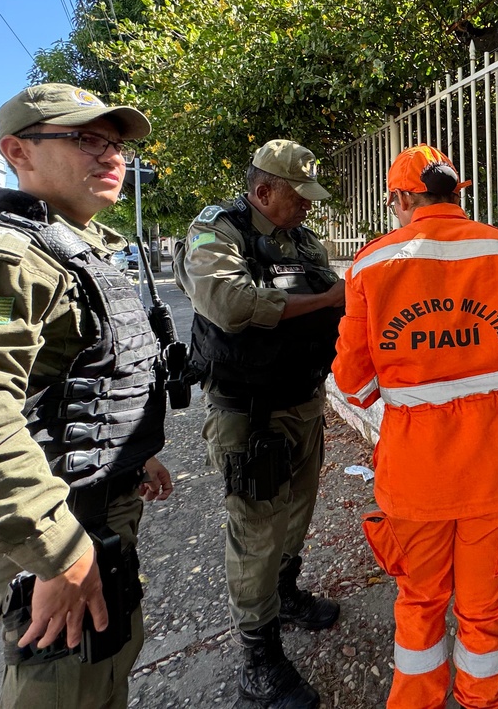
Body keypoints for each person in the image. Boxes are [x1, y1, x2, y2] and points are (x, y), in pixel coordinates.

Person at [0, 83, 175, 709]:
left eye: (115, 144)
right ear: (17, 151)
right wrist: (58, 553)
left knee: (102, 674)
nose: (111, 157)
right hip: (53, 530)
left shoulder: (64, 247)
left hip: (91, 510)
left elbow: (82, 376)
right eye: (85, 140)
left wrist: (133, 454)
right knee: (66, 688)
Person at [332, 144, 498, 709]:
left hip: (415, 469)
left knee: (419, 602)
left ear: (400, 198)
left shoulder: (372, 264)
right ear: (455, 193)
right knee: (485, 607)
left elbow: (350, 380)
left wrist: (398, 395)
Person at [175, 140, 345, 709]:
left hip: (302, 401)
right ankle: (258, 657)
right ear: (263, 190)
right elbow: (229, 304)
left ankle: (286, 594)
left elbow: (335, 297)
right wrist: (326, 302)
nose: (306, 209)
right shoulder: (217, 231)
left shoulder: (300, 239)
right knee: (255, 532)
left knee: (297, 512)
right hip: (248, 413)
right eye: (298, 198)